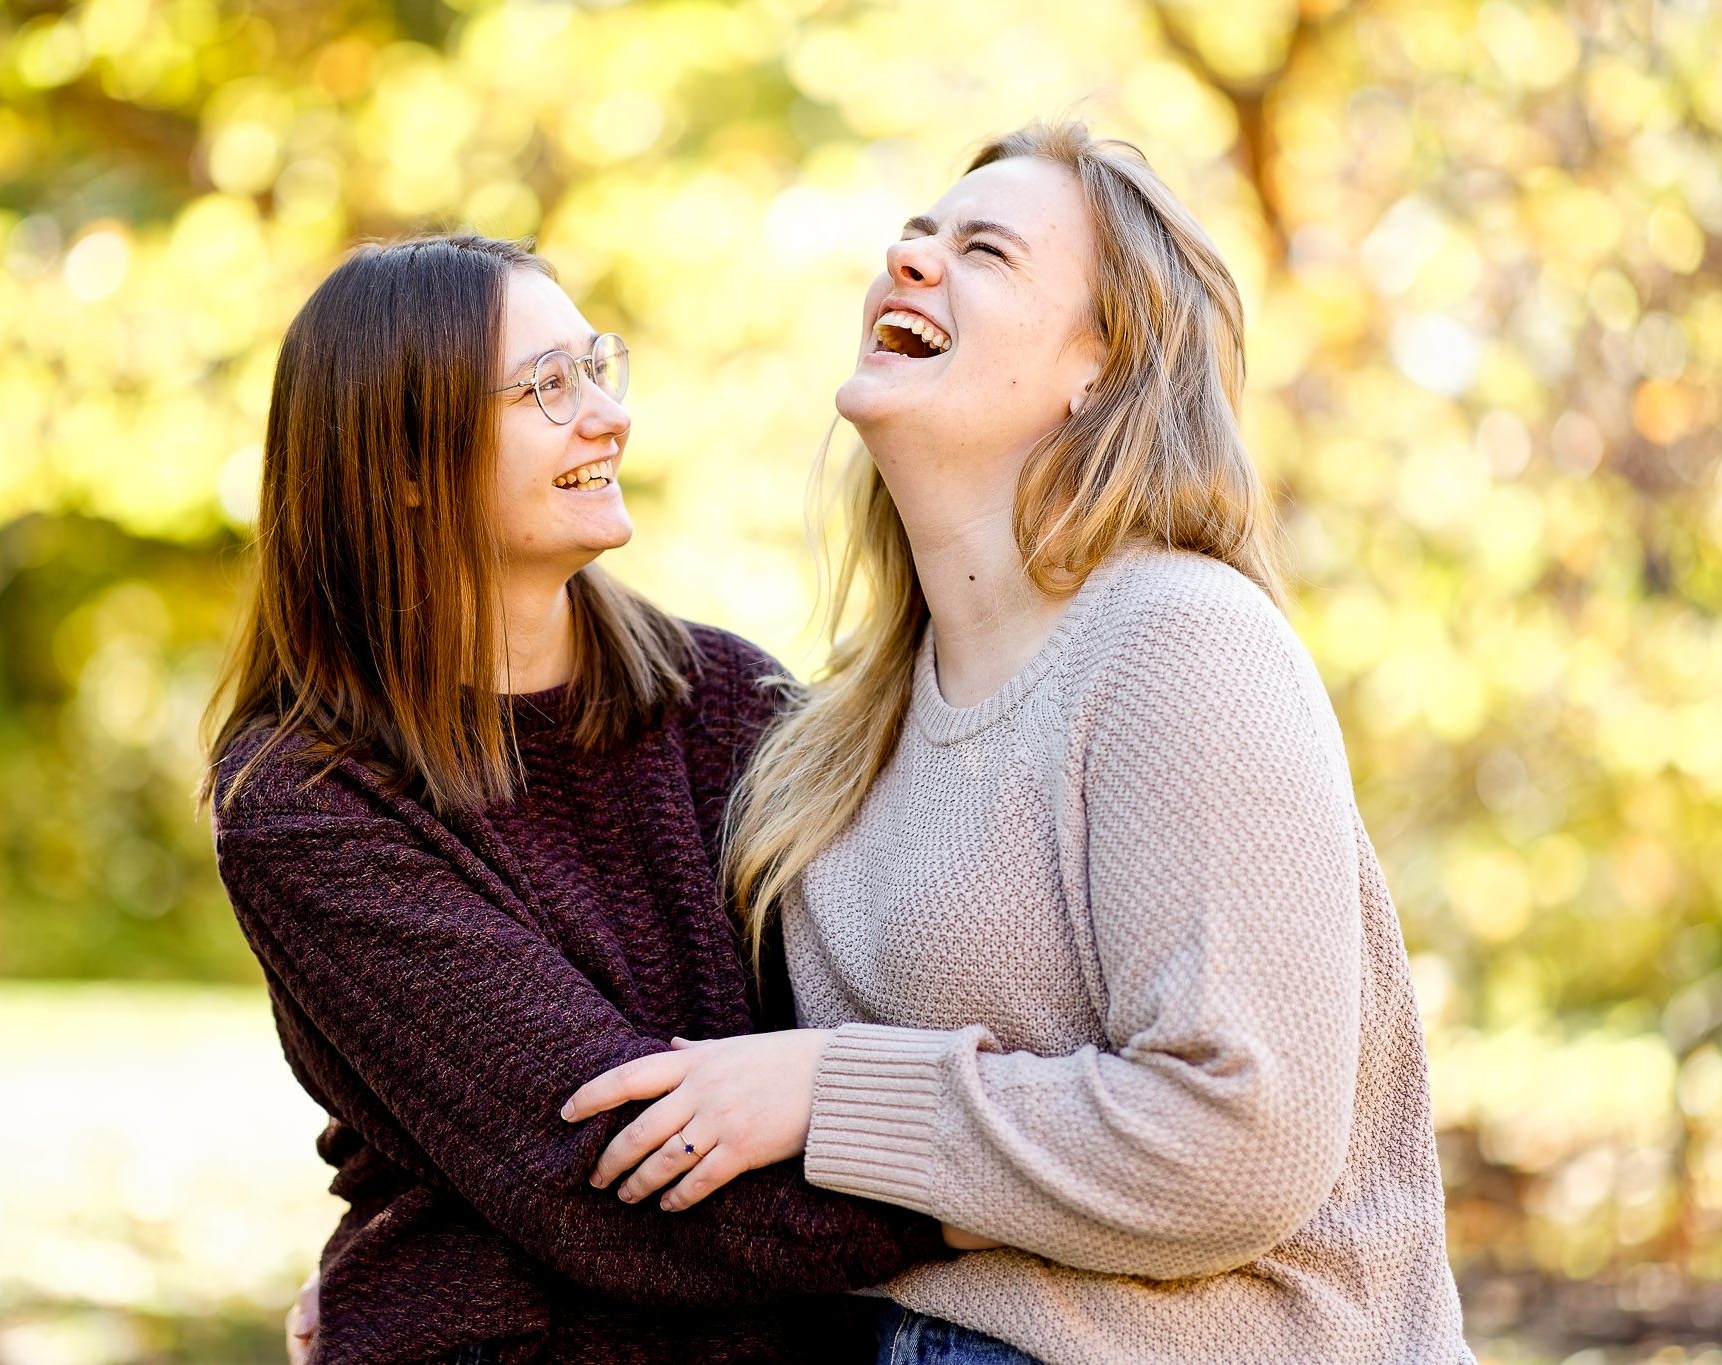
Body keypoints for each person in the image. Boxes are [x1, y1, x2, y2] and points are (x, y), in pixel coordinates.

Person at [566, 122, 1474, 1364]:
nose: (909, 258)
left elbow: (1238, 1138)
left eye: (981, 249)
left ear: (1098, 371)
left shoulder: (1179, 643)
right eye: (915, 235)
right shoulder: (839, 733)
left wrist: (831, 1092)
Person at [202, 233, 952, 1365]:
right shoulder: (306, 797)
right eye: (547, 387)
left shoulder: (730, 700)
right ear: (402, 460)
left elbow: (892, 1001)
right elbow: (601, 1175)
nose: (605, 415)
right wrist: (1005, 1185)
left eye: (596, 367)